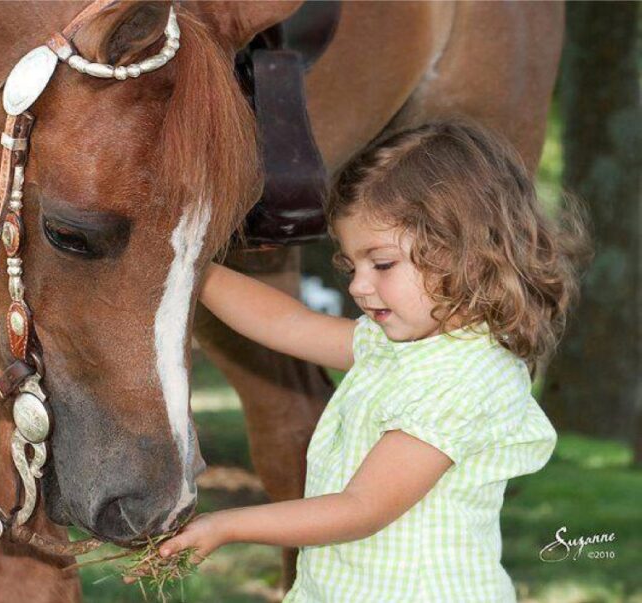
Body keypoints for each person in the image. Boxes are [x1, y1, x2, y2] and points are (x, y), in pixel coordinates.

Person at [158, 120, 591, 602]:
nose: (359, 287)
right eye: (351, 266)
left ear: (468, 251)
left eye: (381, 264)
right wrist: (188, 261)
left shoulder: (465, 376)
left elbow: (362, 507)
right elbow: (287, 324)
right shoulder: (402, 344)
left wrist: (227, 525)